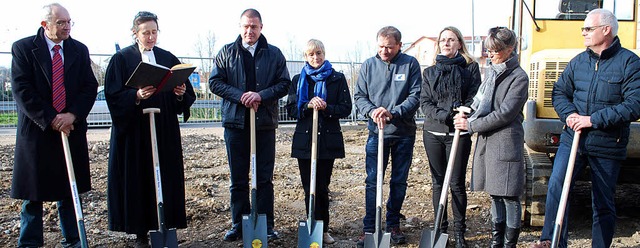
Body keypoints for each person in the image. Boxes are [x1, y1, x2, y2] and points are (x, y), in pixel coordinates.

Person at [530, 8, 640, 248]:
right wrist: (569, 114)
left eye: (588, 29)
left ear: (606, 30)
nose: (583, 33)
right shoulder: (579, 61)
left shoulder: (629, 63)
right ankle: (552, 241)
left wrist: (593, 119)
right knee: (557, 185)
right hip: (574, 138)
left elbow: (634, 104)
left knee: (602, 201)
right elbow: (559, 92)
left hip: (608, 142)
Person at [104, 11, 196, 247]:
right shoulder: (122, 59)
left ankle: (166, 223)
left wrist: (180, 93)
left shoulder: (167, 57)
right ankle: (140, 232)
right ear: (135, 33)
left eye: (154, 32)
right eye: (146, 33)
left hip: (163, 129)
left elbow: (185, 94)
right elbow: (113, 96)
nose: (151, 37)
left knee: (165, 176)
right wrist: (135, 95)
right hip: (135, 132)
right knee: (138, 177)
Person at [10, 3, 98, 247]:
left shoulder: (79, 50)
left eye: (69, 22)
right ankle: (29, 242)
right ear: (45, 25)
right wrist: (51, 118)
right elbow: (22, 89)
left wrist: (72, 115)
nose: (67, 26)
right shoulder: (24, 48)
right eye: (60, 22)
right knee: (32, 194)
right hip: (37, 131)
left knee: (69, 189)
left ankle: (73, 239)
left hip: (70, 129)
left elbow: (89, 87)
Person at [209, 8, 291, 242]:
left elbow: (284, 84)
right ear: (240, 27)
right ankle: (239, 223)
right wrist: (241, 95)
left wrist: (261, 95)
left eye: (254, 26)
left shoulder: (273, 54)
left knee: (264, 177)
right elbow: (215, 82)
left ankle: (266, 224)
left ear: (261, 27)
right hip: (235, 124)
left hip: (263, 124)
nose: (249, 31)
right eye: (245, 26)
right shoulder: (226, 52)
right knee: (238, 178)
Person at [453, 26, 528, 248]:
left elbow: (505, 113)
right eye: (488, 50)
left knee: (509, 196)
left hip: (505, 142)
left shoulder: (518, 77)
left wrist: (472, 125)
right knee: (495, 194)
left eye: (495, 50)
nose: (491, 54)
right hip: (488, 141)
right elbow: (481, 100)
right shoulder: (491, 73)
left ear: (510, 49)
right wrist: (467, 111)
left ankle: (508, 244)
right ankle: (496, 243)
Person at [353, 26, 422, 247]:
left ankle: (392, 224)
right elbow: (360, 96)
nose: (385, 51)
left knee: (398, 181)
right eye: (381, 46)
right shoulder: (368, 66)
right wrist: (373, 112)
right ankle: (370, 227)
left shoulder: (410, 64)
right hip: (376, 133)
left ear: (399, 45)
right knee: (373, 181)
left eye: (390, 47)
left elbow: (415, 96)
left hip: (403, 133)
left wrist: (393, 112)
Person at [285, 39, 352, 244]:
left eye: (319, 53)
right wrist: (307, 105)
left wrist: (326, 107)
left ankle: (323, 229)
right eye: (311, 54)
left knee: (322, 186)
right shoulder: (298, 79)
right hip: (306, 141)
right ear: (306, 57)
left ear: (325, 53)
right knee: (309, 187)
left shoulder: (337, 78)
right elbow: (290, 109)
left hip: (327, 141)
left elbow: (346, 108)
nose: (316, 57)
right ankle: (311, 224)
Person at [420, 26, 481, 248]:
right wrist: (447, 116)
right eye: (443, 40)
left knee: (456, 183)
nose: (446, 43)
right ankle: (440, 232)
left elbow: (476, 96)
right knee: (438, 183)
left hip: (459, 132)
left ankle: (459, 233)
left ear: (459, 43)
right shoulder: (429, 73)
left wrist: (464, 114)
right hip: (434, 132)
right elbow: (425, 103)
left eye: (451, 40)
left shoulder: (470, 69)